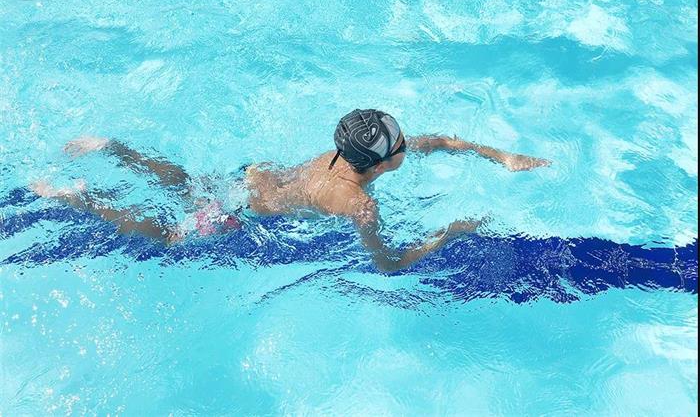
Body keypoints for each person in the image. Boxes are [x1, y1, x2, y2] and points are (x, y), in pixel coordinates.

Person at [32, 109, 550, 272]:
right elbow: (388, 265)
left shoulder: (344, 154)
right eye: (400, 143)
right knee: (169, 236)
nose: (408, 143)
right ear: (385, 162)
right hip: (239, 214)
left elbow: (436, 142)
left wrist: (500, 156)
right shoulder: (359, 204)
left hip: (250, 179)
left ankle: (113, 149)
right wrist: (448, 234)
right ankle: (77, 199)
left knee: (186, 183)